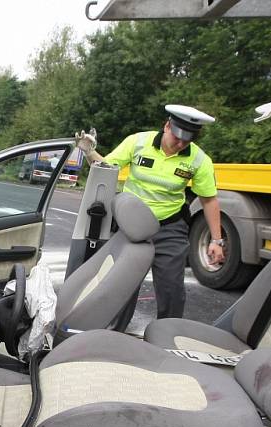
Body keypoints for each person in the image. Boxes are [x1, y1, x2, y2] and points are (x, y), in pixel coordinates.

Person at [76, 104, 224, 320]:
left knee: (171, 289)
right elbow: (106, 168)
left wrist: (216, 240)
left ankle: (167, 335)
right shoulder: (137, 142)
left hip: (170, 228)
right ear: (166, 126)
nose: (181, 144)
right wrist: (89, 151)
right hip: (131, 227)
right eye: (177, 137)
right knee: (122, 284)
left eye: (187, 140)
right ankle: (114, 332)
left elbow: (209, 200)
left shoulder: (199, 160)